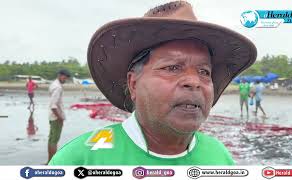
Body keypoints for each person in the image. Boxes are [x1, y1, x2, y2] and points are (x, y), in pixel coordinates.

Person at [49, 1, 257, 165]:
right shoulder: (79, 161)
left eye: (204, 71)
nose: (194, 82)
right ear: (133, 84)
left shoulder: (219, 157)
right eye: (172, 68)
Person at [46, 69, 71, 164]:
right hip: (56, 118)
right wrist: (60, 118)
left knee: (51, 139)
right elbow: (53, 106)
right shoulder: (58, 88)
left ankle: (49, 161)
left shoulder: (54, 84)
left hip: (52, 117)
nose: (65, 79)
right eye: (65, 77)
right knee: (54, 140)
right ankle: (53, 162)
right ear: (60, 75)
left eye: (67, 78)